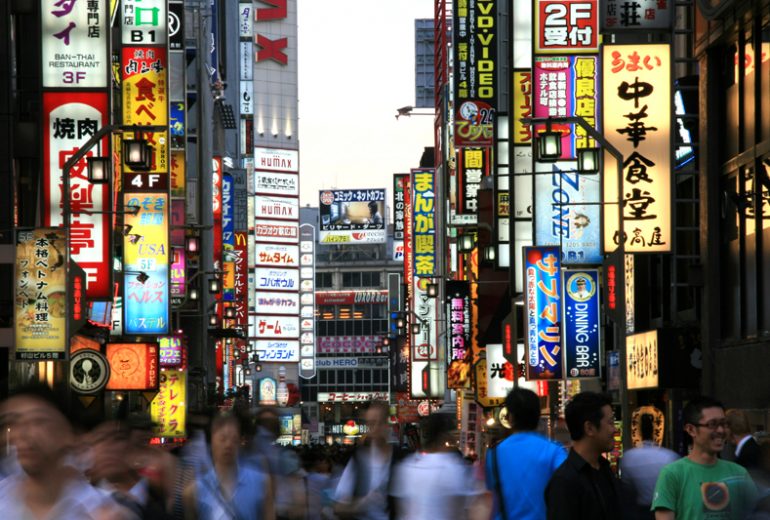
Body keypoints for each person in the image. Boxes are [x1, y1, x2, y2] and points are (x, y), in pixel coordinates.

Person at [0, 384, 127, 519]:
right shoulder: (3, 499)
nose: (22, 433)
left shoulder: (100, 511)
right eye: (11, 423)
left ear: (72, 435)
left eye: (38, 421)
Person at [652, 396, 757, 519]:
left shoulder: (739, 473)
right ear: (691, 430)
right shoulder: (672, 474)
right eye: (712, 424)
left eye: (723, 424)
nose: (721, 430)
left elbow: (757, 513)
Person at [486, 388, 566, 520]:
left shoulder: (493, 454)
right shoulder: (554, 451)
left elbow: (491, 498)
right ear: (537, 416)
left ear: (510, 417)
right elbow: (568, 490)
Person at [391, 413, 487, 519]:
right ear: (445, 436)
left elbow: (401, 509)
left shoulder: (407, 466)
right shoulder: (453, 468)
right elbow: (475, 508)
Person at [545, 391, 623, 519]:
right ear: (589, 428)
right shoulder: (564, 481)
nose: (615, 429)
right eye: (610, 422)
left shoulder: (604, 469)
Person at [183, 412, 274, 520]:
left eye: (234, 439)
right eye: (222, 439)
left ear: (240, 443)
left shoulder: (261, 482)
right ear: (211, 442)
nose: (228, 445)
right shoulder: (195, 491)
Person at [88, 420, 173, 519]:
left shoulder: (165, 494)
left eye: (118, 438)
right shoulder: (82, 504)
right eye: (99, 439)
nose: (108, 447)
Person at [333, 401, 400, 520]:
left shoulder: (400, 460)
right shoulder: (359, 461)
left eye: (379, 423)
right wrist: (361, 504)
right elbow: (338, 507)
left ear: (388, 424)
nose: (374, 429)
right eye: (370, 424)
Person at [620, 413, 679, 519]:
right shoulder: (668, 456)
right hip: (665, 508)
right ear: (655, 431)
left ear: (639, 431)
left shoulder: (629, 457)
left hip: (640, 512)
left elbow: (626, 490)